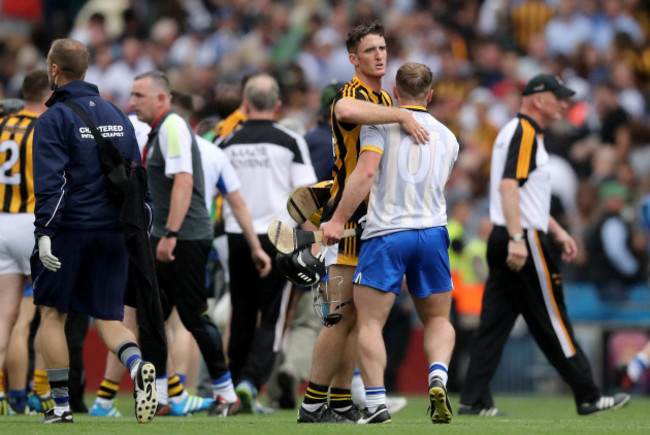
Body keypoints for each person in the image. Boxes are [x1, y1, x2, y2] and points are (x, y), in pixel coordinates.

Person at [458, 73, 631, 416]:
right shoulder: (524, 133)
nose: (564, 105)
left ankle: (473, 397)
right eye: (559, 97)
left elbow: (523, 195)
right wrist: (521, 238)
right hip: (521, 236)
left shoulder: (513, 131)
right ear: (538, 98)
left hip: (506, 232)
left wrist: (558, 231)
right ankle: (589, 394)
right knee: (552, 317)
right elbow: (510, 188)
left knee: (494, 322)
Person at [296, 22, 428, 424]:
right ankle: (312, 405)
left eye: (383, 48)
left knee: (358, 319)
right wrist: (403, 115)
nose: (379, 55)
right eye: (370, 50)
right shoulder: (354, 95)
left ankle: (337, 401)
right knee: (339, 315)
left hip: (373, 221)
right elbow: (343, 110)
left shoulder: (382, 96)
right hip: (347, 220)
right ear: (353, 59)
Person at [321, 62, 459, 424]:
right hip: (432, 233)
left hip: (387, 233)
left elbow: (366, 173)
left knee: (368, 323)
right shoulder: (449, 137)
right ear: (430, 95)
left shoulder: (380, 126)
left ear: (395, 93)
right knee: (439, 319)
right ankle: (439, 375)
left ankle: (377, 403)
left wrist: (337, 220)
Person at [31, 38, 157, 424]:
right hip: (113, 231)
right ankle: (137, 369)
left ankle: (61, 407)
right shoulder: (118, 114)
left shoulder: (53, 118)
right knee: (107, 318)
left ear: (55, 70)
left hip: (69, 230)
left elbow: (52, 182)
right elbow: (137, 177)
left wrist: (45, 231)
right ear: (86, 70)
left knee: (52, 314)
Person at [130, 70, 244, 417]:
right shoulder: (159, 131)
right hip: (167, 235)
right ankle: (161, 397)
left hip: (185, 237)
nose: (132, 102)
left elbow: (183, 181)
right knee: (153, 317)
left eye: (139, 96)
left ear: (162, 99)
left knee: (194, 315)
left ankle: (227, 394)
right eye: (132, 95)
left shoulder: (173, 127)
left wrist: (171, 234)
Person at [218, 73, 317, 413]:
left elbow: (215, 191)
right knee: (272, 319)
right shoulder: (290, 140)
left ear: (244, 105)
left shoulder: (227, 142)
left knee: (241, 313)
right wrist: (312, 243)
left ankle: (232, 388)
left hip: (236, 235)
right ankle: (249, 383)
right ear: (277, 106)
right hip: (280, 237)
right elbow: (306, 196)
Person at [0, 70, 50, 415]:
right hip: (33, 223)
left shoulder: (2, 124)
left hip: (1, 221)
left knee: (4, 317)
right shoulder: (46, 127)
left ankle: (6, 396)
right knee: (51, 314)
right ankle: (42, 394)